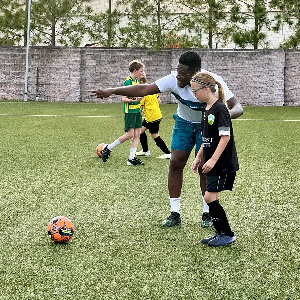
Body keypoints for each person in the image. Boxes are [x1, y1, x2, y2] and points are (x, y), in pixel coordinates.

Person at [89, 51, 243, 225]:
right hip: (183, 123)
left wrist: (221, 117)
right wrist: (112, 91)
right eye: (178, 70)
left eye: (183, 73)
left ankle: (207, 214)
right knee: (176, 162)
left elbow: (238, 107)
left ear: (194, 73)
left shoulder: (212, 81)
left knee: (204, 168)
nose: (178, 76)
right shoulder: (173, 80)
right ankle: (174, 213)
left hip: (206, 127)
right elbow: (144, 89)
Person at [191, 72, 239, 246]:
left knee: (209, 198)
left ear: (205, 89)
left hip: (222, 163)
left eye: (195, 90)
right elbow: (207, 137)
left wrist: (212, 161)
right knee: (210, 197)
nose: (193, 94)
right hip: (212, 161)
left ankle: (227, 234)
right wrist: (199, 157)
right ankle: (221, 233)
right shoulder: (206, 109)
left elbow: (225, 137)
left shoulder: (220, 108)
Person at [100, 59, 145, 166]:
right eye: (141, 71)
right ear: (135, 71)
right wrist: (135, 100)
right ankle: (108, 147)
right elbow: (123, 99)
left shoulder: (137, 81)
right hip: (130, 112)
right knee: (130, 134)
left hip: (137, 111)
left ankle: (131, 158)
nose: (142, 73)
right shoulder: (128, 82)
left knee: (137, 134)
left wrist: (140, 99)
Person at [135, 75, 171, 159]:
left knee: (155, 135)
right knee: (141, 131)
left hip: (152, 118)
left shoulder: (142, 92)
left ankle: (168, 153)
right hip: (153, 115)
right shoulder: (152, 89)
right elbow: (159, 101)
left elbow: (139, 107)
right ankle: (145, 151)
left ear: (140, 82)